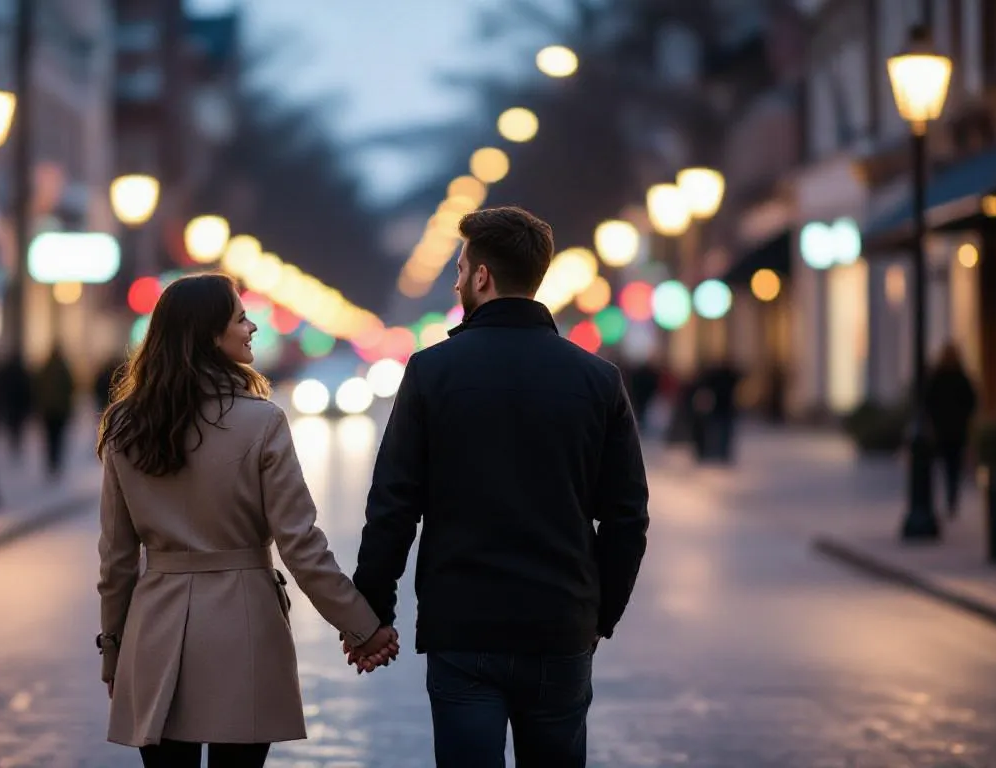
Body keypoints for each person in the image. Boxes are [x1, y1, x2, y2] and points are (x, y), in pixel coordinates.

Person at [350, 207, 651, 768]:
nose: (458, 280)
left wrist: (370, 614)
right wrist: (599, 613)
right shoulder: (597, 380)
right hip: (559, 624)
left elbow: (393, 504)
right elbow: (628, 515)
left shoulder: (431, 373)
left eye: (461, 269)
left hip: (463, 626)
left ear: (483, 276)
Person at [95, 273, 398, 768]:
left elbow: (116, 560)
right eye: (240, 318)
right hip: (245, 626)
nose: (252, 326)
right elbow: (300, 544)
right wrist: (362, 625)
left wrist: (113, 650)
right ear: (210, 334)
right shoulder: (261, 422)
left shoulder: (127, 425)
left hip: (155, 633)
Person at [925, 343, 978, 516]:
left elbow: (929, 402)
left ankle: (948, 498)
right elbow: (972, 402)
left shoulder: (939, 377)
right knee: (952, 466)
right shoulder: (959, 377)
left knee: (946, 465)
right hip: (955, 429)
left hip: (944, 429)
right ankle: (951, 498)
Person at [35, 345, 75, 477]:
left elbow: (38, 387)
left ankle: (51, 460)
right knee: (58, 436)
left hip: (48, 409)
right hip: (60, 409)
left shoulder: (45, 368)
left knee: (50, 437)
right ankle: (56, 460)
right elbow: (70, 388)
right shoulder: (64, 369)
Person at [0, 351, 33, 462]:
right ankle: (15, 444)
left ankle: (14, 444)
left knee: (13, 425)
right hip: (18, 404)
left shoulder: (8, 371)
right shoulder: (22, 372)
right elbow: (27, 390)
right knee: (17, 426)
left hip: (11, 404)